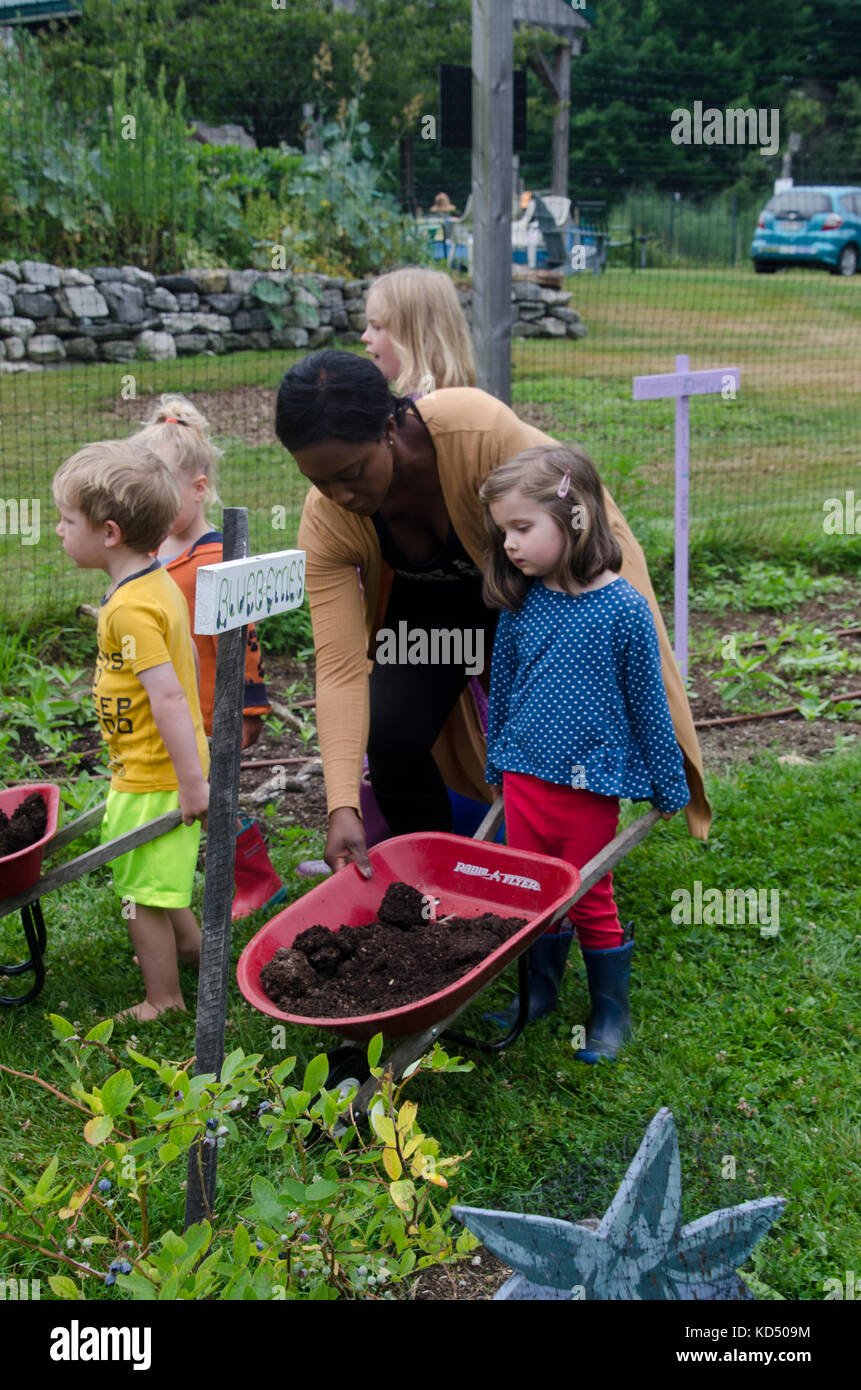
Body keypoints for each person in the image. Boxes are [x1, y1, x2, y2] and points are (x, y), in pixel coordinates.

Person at [274, 350, 710, 881]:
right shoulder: (329, 520)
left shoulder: (478, 431)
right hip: (438, 620)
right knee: (390, 732)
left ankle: (562, 868)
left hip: (542, 592)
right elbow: (340, 668)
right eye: (320, 482)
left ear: (389, 427)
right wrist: (342, 804)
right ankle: (429, 885)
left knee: (560, 723)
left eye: (353, 472)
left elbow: (567, 517)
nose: (340, 495)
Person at [480, 445, 691, 1060]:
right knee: (532, 892)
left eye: (523, 528)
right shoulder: (524, 606)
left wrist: (667, 780)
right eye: (505, 532)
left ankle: (608, 1016)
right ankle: (537, 994)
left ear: (575, 519)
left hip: (589, 785)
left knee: (589, 895)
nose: (512, 544)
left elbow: (649, 703)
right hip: (524, 777)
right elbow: (507, 689)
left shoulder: (623, 609)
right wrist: (498, 761)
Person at [53, 440, 210, 1021]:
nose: (59, 532)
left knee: (139, 892)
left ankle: (162, 999)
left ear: (110, 533)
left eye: (69, 522)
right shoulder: (152, 580)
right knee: (152, 872)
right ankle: (191, 948)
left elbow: (169, 697)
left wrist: (192, 784)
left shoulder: (129, 610)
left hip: (155, 773)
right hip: (149, 768)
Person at [128, 395, 284, 921]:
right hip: (172, 713)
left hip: (211, 712)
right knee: (195, 798)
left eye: (158, 491)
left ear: (199, 490)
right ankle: (197, 886)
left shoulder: (217, 560)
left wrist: (247, 710)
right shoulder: (148, 558)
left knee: (216, 800)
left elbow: (245, 645)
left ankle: (256, 882)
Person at [361, 267, 476, 398]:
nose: (364, 337)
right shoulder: (431, 393)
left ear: (417, 337)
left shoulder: (425, 406)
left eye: (376, 327)